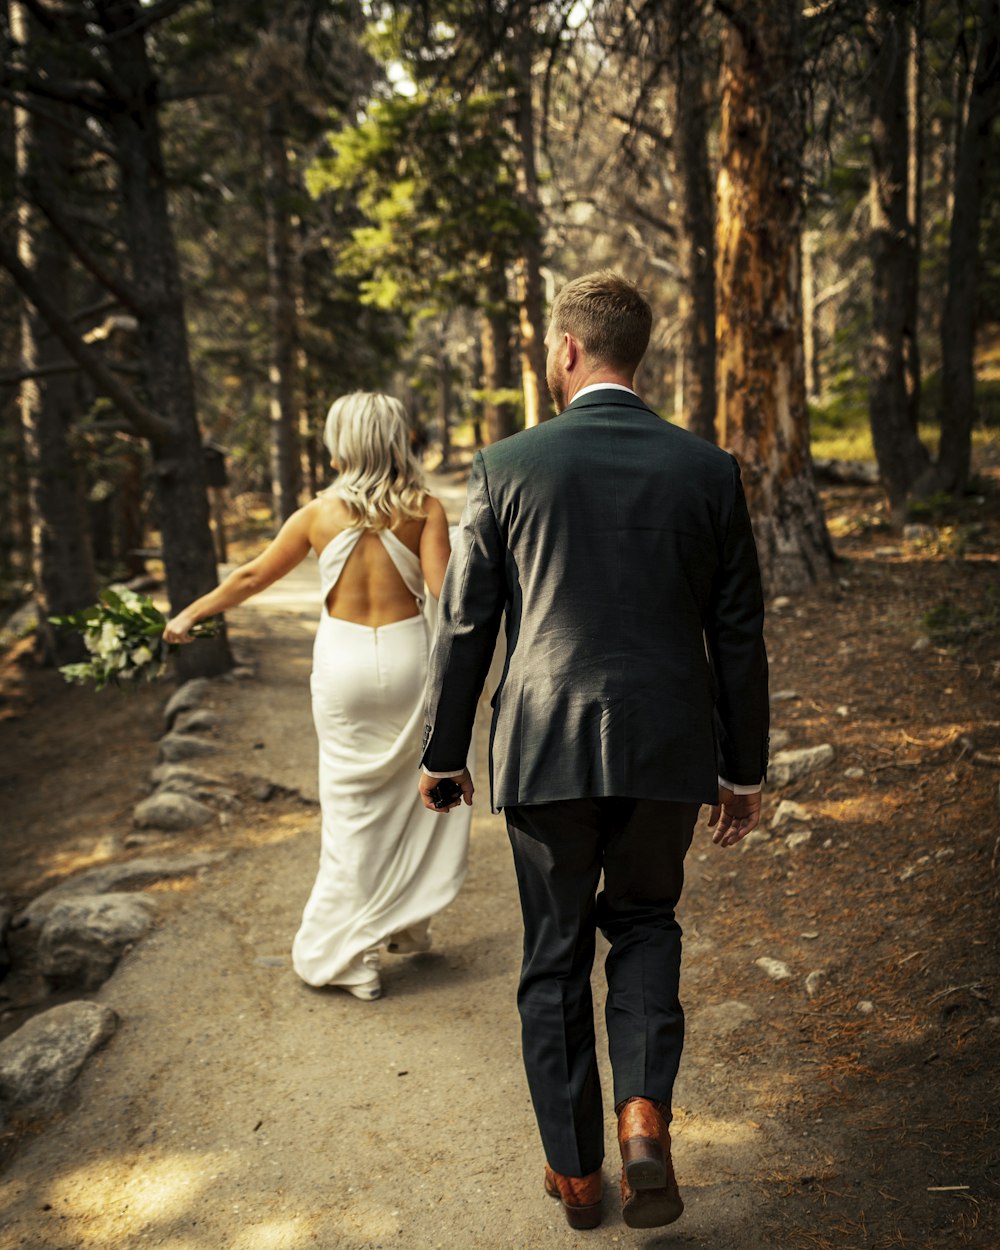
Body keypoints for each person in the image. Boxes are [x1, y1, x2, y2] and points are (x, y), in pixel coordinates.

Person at [417, 271, 768, 1230]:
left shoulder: (506, 466)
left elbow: (466, 629)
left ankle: (576, 1177)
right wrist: (743, 769)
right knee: (648, 923)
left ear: (568, 350)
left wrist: (445, 754)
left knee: (555, 955)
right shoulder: (707, 469)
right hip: (666, 747)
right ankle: (644, 1116)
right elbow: (738, 634)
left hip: (545, 747)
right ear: (634, 352)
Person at [165, 392, 471, 1002]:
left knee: (352, 813)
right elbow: (446, 593)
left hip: (344, 666)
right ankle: (405, 922)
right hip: (411, 660)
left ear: (344, 444)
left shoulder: (316, 514)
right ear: (395, 440)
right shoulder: (425, 509)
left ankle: (352, 960)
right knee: (416, 798)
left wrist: (192, 613)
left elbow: (253, 575)